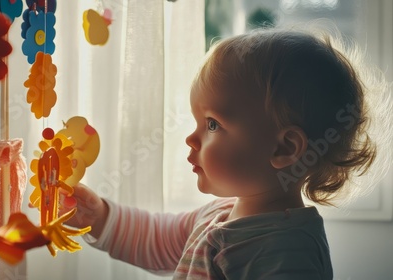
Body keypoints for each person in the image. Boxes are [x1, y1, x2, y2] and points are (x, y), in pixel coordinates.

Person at [62, 28, 387, 279]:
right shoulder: (219, 213)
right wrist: (100, 217)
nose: (192, 138)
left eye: (213, 124)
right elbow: (158, 240)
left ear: (284, 148)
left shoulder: (286, 251)